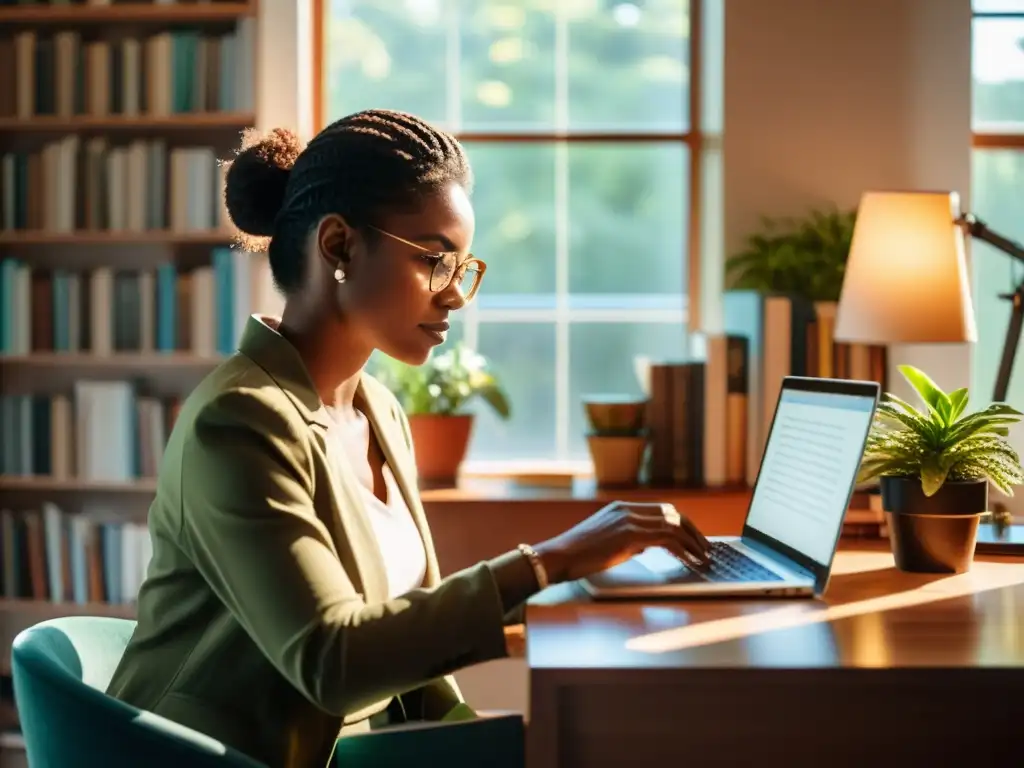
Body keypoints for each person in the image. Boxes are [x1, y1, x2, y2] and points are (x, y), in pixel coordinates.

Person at [105, 109, 711, 768]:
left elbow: (409, 659)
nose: (455, 295)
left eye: (462, 267)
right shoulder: (239, 422)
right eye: (433, 260)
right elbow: (332, 661)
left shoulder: (382, 413)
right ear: (338, 247)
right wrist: (549, 562)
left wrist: (483, 741)